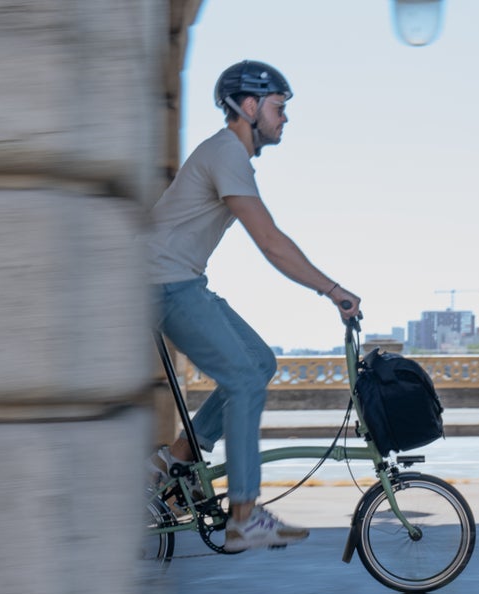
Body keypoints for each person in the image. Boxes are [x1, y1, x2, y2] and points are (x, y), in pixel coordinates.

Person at [148, 60, 362, 553]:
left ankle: (175, 460)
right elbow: (270, 242)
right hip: (164, 284)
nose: (285, 118)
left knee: (260, 363)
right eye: (278, 107)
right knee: (244, 380)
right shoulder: (227, 152)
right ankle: (244, 516)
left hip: (180, 281)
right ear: (249, 106)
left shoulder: (227, 155)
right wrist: (333, 290)